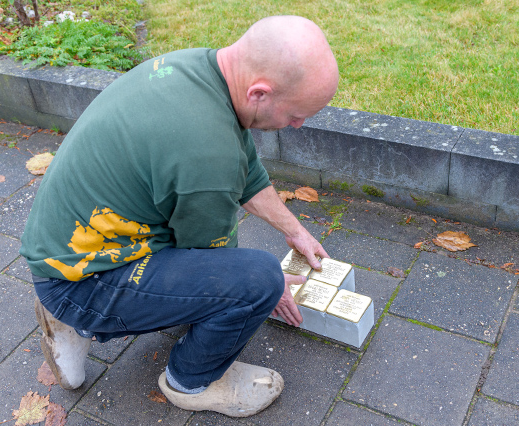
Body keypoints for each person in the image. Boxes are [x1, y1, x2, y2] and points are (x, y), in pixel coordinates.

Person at [20, 15, 339, 417]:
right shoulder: (207, 152)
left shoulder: (202, 71)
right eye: (295, 115)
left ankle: (72, 315)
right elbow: (216, 263)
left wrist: (296, 232)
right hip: (80, 283)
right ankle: (190, 381)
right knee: (259, 277)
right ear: (260, 92)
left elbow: (246, 170)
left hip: (65, 250)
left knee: (240, 275)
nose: (297, 125)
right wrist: (265, 289)